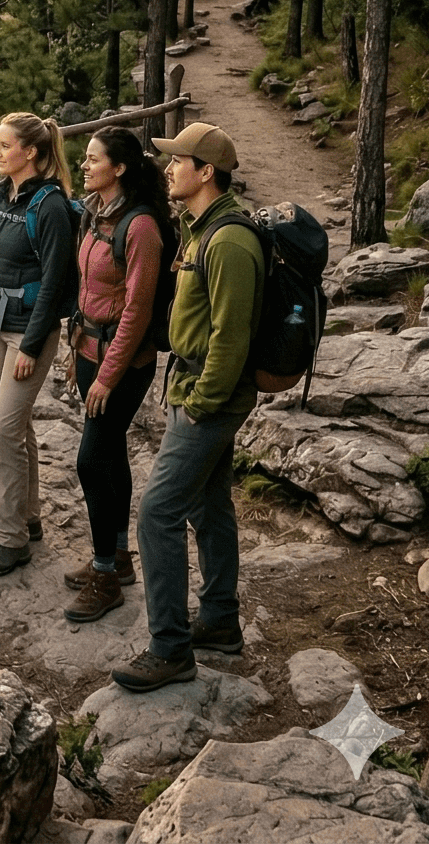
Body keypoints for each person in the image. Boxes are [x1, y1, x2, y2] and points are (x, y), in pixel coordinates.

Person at [113, 122, 255, 693]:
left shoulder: (230, 242)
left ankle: (170, 647)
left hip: (208, 396)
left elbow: (230, 337)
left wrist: (199, 404)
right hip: (193, 387)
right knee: (207, 504)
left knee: (156, 513)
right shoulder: (203, 229)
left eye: (179, 161)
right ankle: (219, 620)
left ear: (206, 173)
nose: (168, 168)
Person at [64, 126, 170, 622]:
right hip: (90, 351)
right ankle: (120, 557)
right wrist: (77, 350)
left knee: (91, 460)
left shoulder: (141, 227)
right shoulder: (96, 214)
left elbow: (137, 310)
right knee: (110, 455)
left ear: (119, 168)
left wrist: (107, 375)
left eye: (93, 160)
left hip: (124, 364)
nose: (84, 166)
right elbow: (89, 288)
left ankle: (105, 575)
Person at [0, 113, 77, 576]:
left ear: (29, 152)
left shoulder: (50, 207)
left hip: (29, 331)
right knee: (14, 427)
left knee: (2, 433)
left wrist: (33, 346)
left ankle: (11, 539)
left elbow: (54, 283)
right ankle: (26, 517)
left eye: (3, 144)